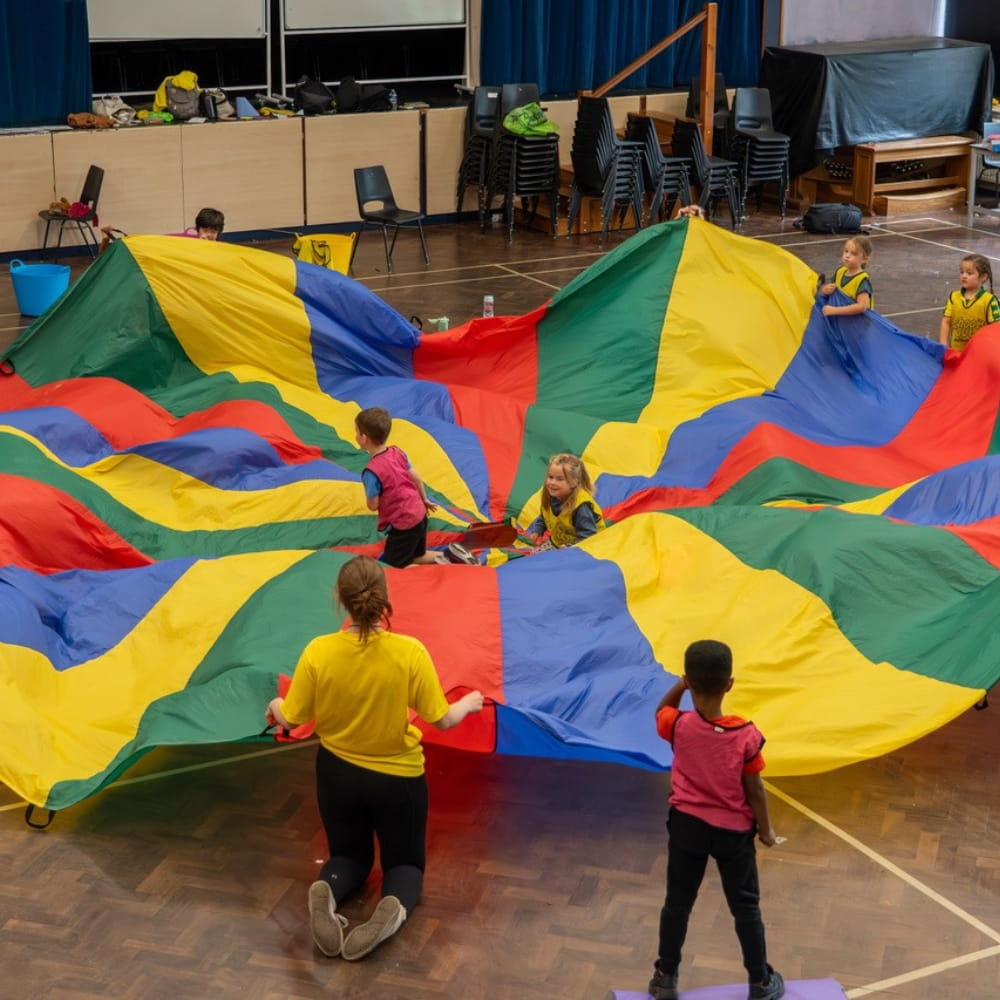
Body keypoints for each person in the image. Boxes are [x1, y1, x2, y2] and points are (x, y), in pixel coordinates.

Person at [266, 555, 484, 961]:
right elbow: (442, 718)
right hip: (396, 780)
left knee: (349, 855)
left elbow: (292, 717)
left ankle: (327, 889)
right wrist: (469, 703)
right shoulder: (409, 652)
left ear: (339, 599)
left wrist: (276, 703)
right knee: (404, 864)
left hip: (336, 774)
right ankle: (391, 909)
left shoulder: (319, 651)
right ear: (384, 597)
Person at [648, 640, 784, 1000]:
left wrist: (680, 685)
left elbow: (661, 710)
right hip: (733, 834)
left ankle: (665, 977)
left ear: (690, 682)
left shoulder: (678, 726)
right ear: (730, 683)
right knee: (745, 907)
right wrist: (766, 831)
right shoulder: (746, 736)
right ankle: (760, 981)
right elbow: (755, 790)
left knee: (677, 903)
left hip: (686, 826)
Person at [356, 406, 477, 567]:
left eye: (357, 432)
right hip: (419, 514)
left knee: (392, 567)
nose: (355, 435)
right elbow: (417, 479)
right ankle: (451, 558)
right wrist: (425, 500)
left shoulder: (371, 472)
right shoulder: (397, 452)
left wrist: (371, 496)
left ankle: (430, 576)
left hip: (403, 525)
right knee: (417, 555)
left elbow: (373, 505)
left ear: (364, 438)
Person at [525, 452, 605, 550]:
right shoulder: (551, 495)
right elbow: (545, 515)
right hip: (558, 543)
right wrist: (538, 531)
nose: (552, 482)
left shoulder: (581, 507)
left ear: (574, 482)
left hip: (583, 548)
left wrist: (569, 547)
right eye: (550, 477)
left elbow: (589, 536)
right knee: (533, 562)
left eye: (560, 479)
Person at [938, 253, 1000, 352]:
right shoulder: (953, 297)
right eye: (961, 272)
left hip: (980, 354)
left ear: (983, 277)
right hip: (957, 353)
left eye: (969, 273)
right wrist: (943, 346)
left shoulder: (989, 301)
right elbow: (945, 322)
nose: (964, 276)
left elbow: (996, 329)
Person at [820, 236, 874, 317]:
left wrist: (835, 310)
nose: (847, 256)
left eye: (853, 254)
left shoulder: (861, 280)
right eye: (846, 251)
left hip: (858, 324)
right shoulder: (840, 272)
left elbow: (861, 307)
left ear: (864, 260)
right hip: (843, 320)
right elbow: (832, 292)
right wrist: (825, 290)